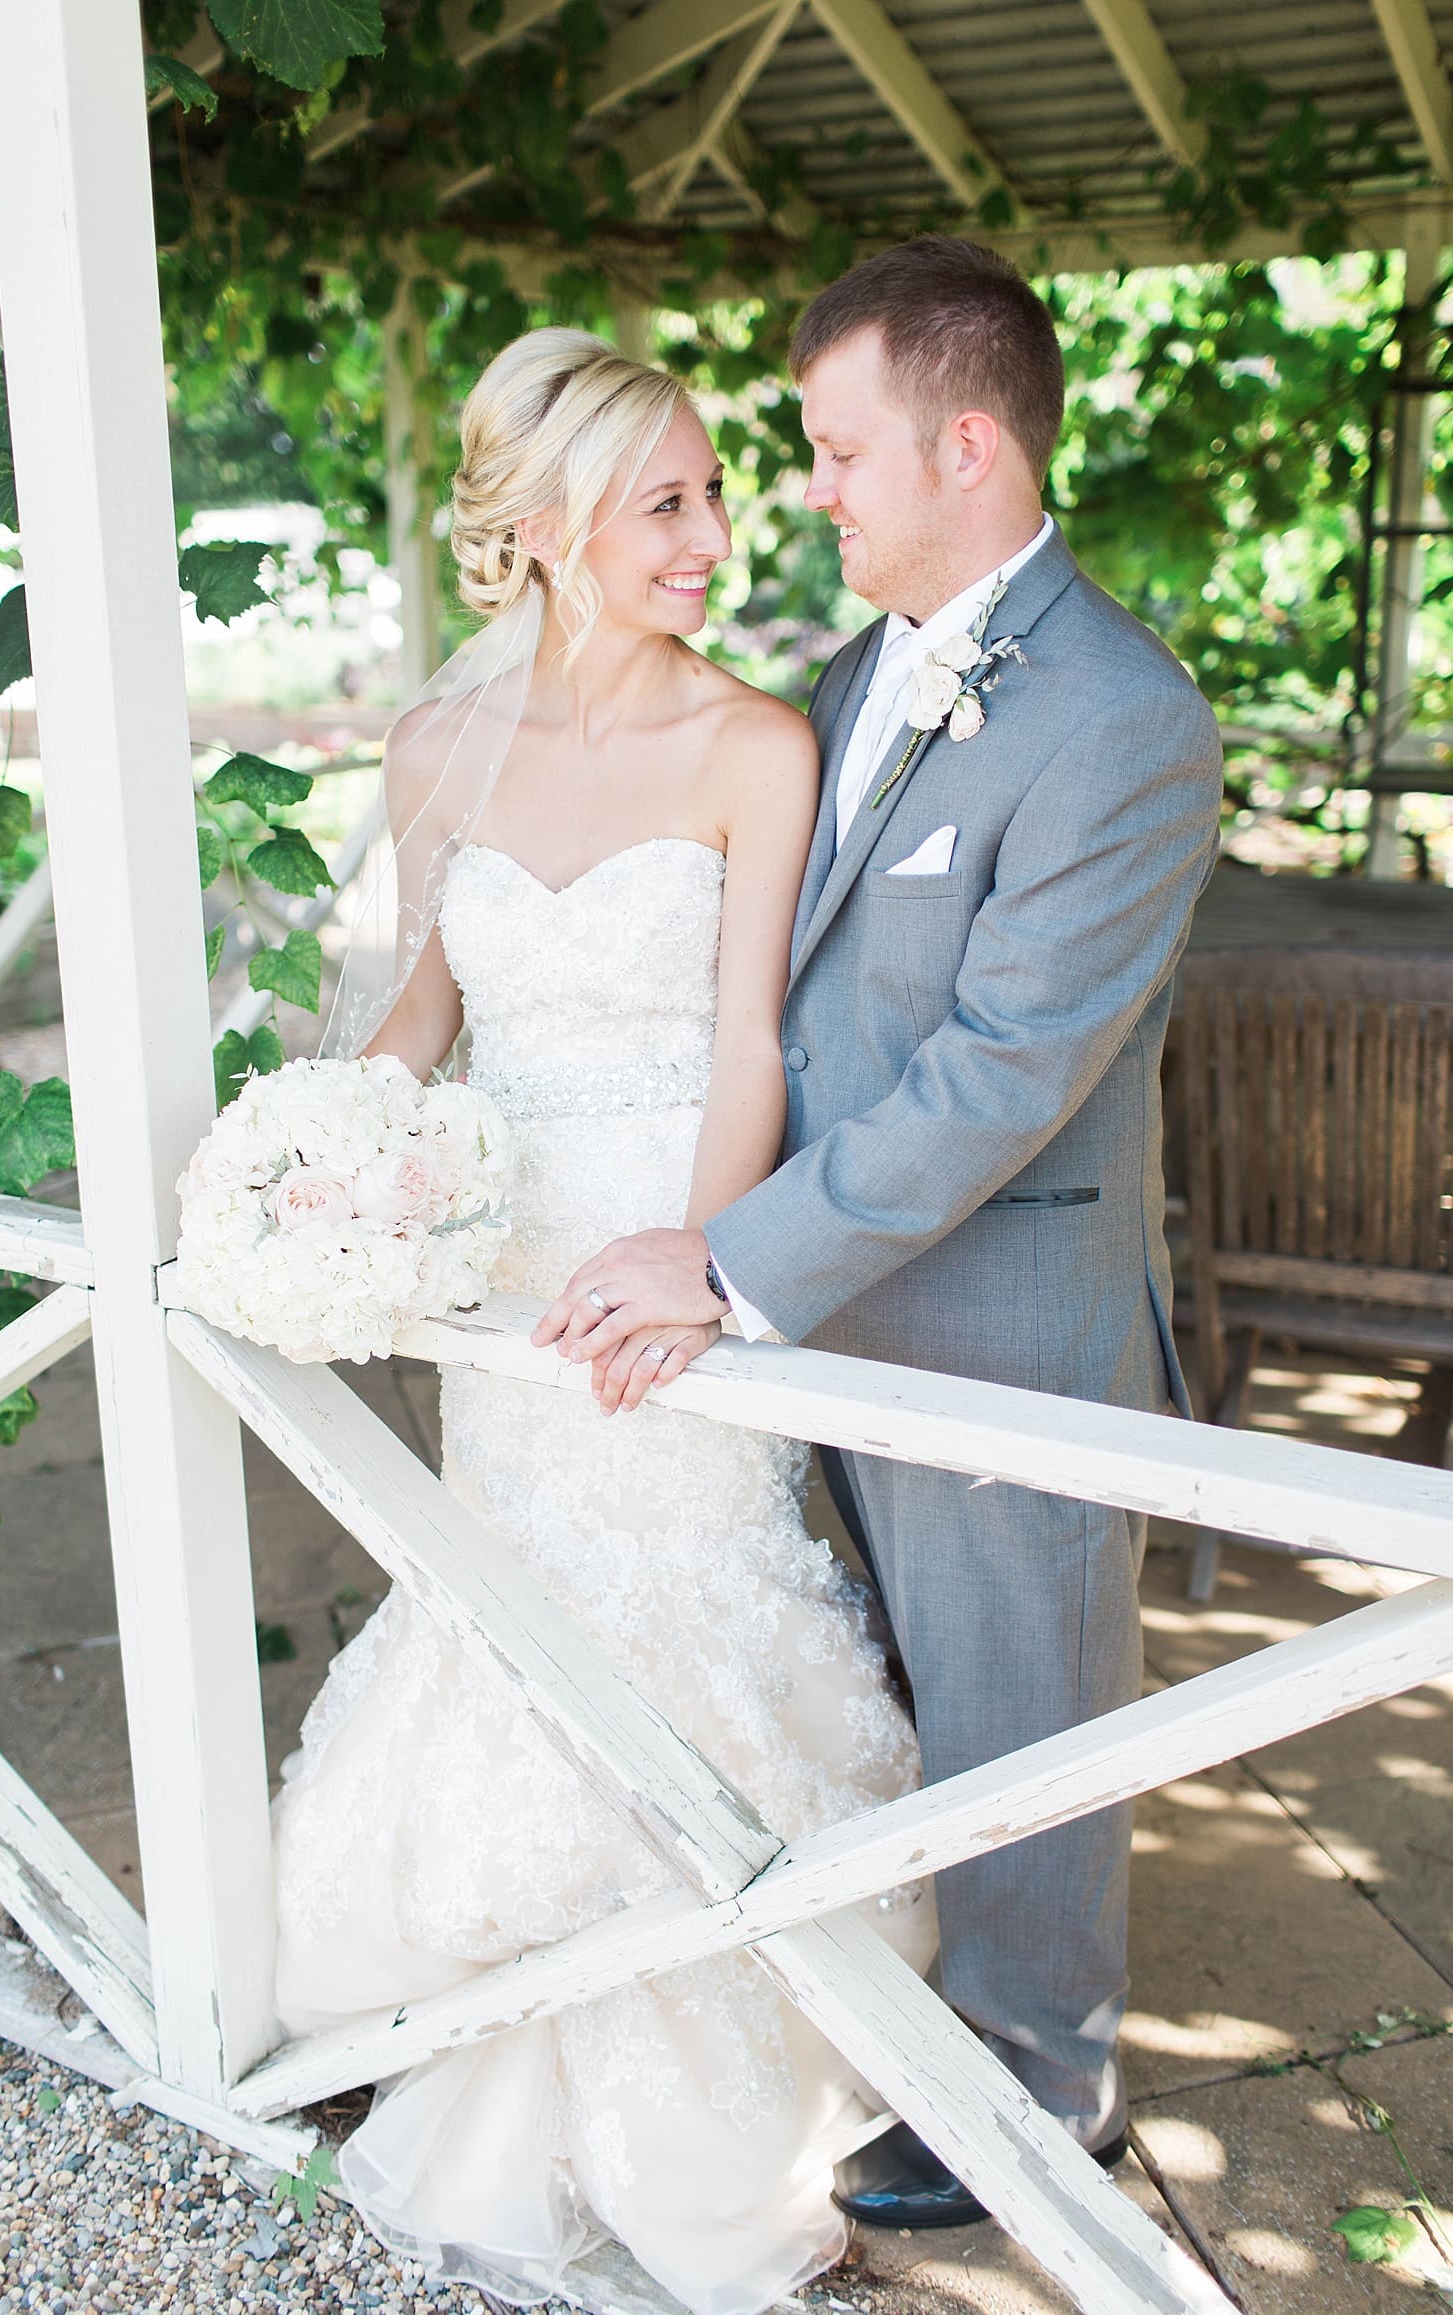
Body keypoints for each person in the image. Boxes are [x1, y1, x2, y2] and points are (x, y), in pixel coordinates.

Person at [536, 237, 1225, 2227]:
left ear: (967, 448)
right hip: (823, 1314)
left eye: (840, 451)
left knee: (1021, 1723)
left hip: (1003, 1321)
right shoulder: (855, 677)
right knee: (887, 1704)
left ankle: (1042, 2094)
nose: (809, 488)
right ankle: (908, 2026)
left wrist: (726, 1259)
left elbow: (1003, 1075)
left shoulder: (1124, 721)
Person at [270, 326, 936, 2315]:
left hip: (668, 1266)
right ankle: (489, 2022)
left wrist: (698, 1268)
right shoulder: (435, 750)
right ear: (551, 525)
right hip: (503, 1279)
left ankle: (715, 2100)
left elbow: (749, 1050)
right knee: (515, 1622)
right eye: (669, 503)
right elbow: (419, 1016)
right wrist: (312, 1172)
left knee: (684, 1623)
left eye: (716, 494)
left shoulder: (755, 745)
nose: (715, 537)